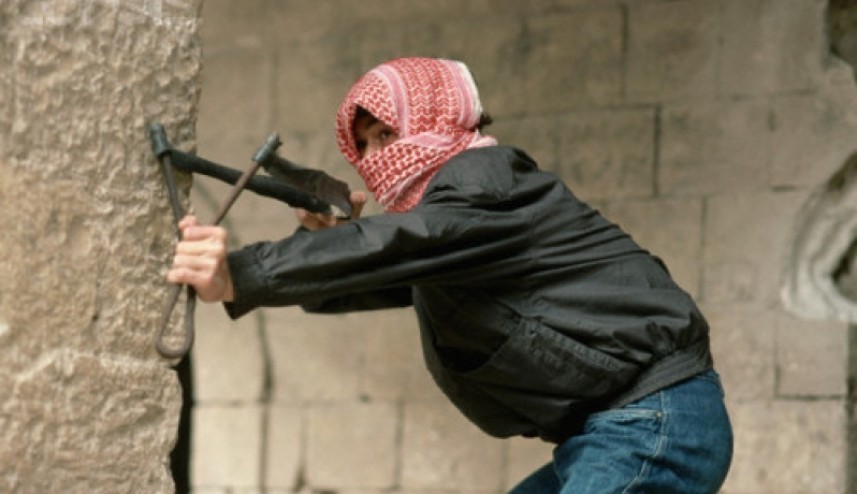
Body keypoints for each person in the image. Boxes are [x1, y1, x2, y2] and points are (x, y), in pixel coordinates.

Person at [168, 57, 733, 493]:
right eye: (364, 146)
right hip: (612, 430)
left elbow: (405, 240)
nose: (374, 158)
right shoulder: (459, 227)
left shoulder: (484, 185)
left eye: (386, 135)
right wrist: (322, 244)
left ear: (437, 119)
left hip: (651, 421)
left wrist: (239, 272)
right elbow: (383, 267)